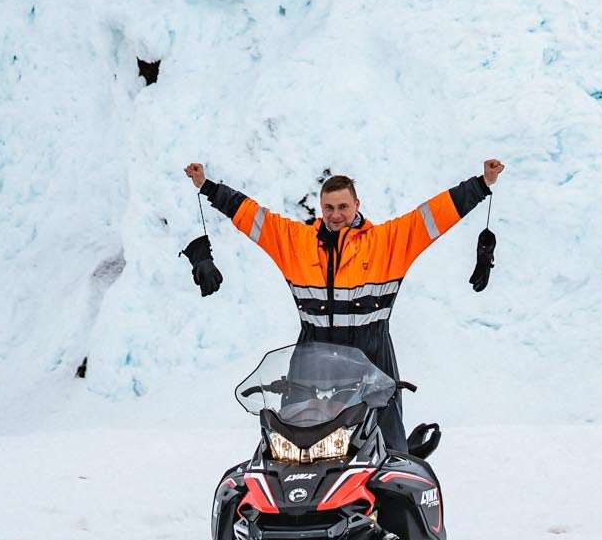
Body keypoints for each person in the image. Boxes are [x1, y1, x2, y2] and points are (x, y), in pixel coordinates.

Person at [183, 158, 504, 454]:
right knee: (293, 455)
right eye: (329, 208)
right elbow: (252, 216)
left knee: (389, 455)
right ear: (321, 209)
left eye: (343, 207)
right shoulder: (296, 243)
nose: (336, 215)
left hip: (373, 363)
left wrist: (482, 183)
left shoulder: (387, 243)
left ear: (356, 206)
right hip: (312, 367)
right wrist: (207, 186)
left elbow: (434, 214)